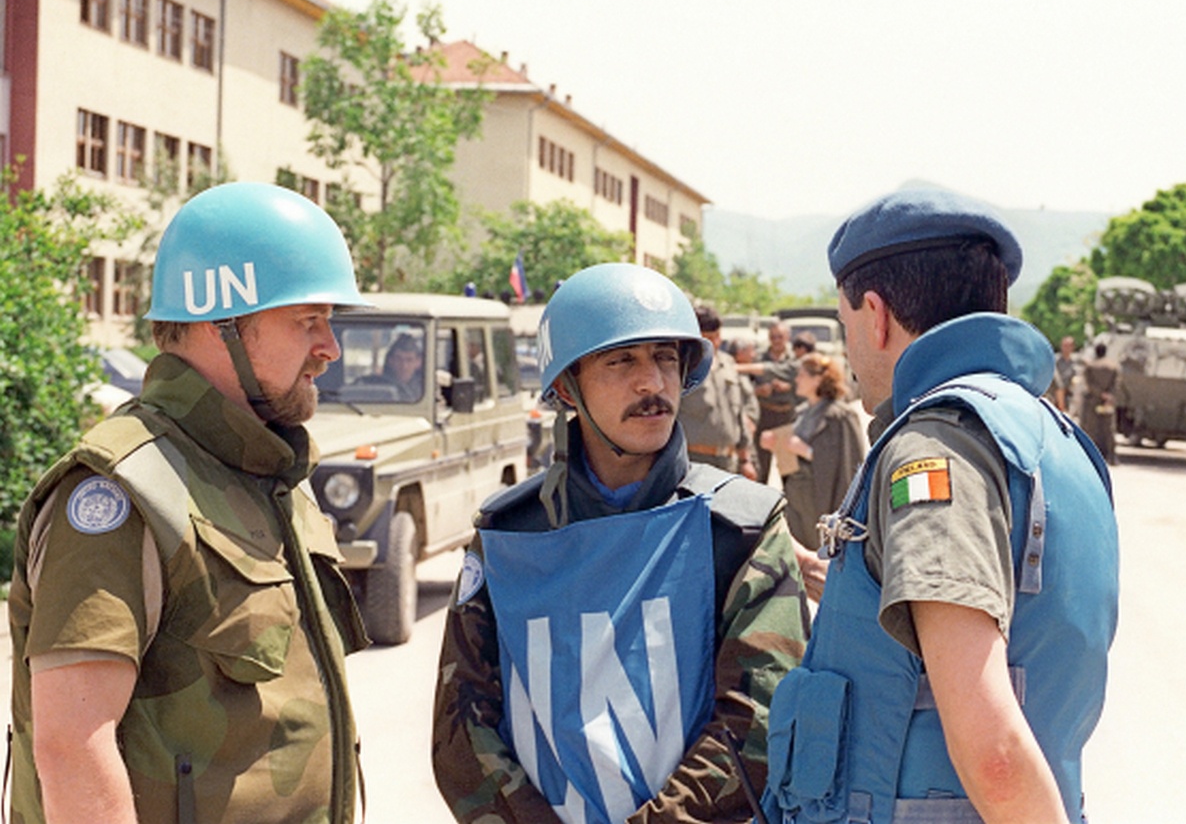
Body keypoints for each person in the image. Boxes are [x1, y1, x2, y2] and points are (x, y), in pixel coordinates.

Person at [8, 182, 371, 824]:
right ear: (222, 321)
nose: (329, 348)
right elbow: (72, 750)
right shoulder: (123, 492)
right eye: (307, 320)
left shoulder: (265, 475)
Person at [762, 189, 1119, 824]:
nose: (850, 349)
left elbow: (996, 758)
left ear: (874, 314)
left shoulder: (936, 446)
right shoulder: (1053, 438)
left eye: (846, 328)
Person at [433, 262, 810, 823]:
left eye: (665, 358)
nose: (653, 384)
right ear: (566, 385)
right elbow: (463, 728)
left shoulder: (739, 531)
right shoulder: (507, 537)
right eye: (621, 361)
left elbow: (758, 721)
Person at [760, 352, 866, 551]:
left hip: (825, 499)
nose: (797, 379)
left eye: (802, 375)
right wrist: (778, 443)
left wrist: (806, 450)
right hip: (798, 496)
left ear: (817, 379)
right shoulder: (802, 412)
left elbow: (849, 460)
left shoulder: (841, 415)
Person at [677, 306, 758, 480]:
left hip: (729, 461)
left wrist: (745, 460)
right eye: (709, 338)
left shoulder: (728, 363)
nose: (715, 342)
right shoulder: (683, 368)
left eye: (718, 336)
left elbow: (738, 414)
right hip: (694, 461)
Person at [750, 321, 801, 485]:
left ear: (787, 337)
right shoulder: (758, 358)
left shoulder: (795, 359)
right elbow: (744, 386)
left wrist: (790, 387)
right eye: (773, 337)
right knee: (760, 466)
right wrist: (758, 390)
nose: (776, 340)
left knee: (788, 467)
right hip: (764, 414)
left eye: (780, 336)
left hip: (786, 415)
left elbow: (806, 385)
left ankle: (791, 507)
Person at [1082, 342, 1120, 465]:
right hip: (1108, 402)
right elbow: (1116, 384)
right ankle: (1112, 456)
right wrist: (1108, 395)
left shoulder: (1090, 366)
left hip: (1093, 401)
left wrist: (1099, 393)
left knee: (1091, 428)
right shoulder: (1113, 366)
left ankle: (1090, 457)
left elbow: (1089, 383)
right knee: (1109, 429)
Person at [360, 332, 425, 400]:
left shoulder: (425, 388)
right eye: (398, 359)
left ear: (418, 362)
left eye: (409, 360)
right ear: (391, 360)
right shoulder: (375, 386)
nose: (404, 366)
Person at [1054, 334, 1083, 416]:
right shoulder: (1055, 360)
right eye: (1064, 345)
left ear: (1073, 347)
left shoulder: (1076, 360)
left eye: (1069, 346)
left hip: (1070, 394)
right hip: (1055, 394)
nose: (1066, 348)